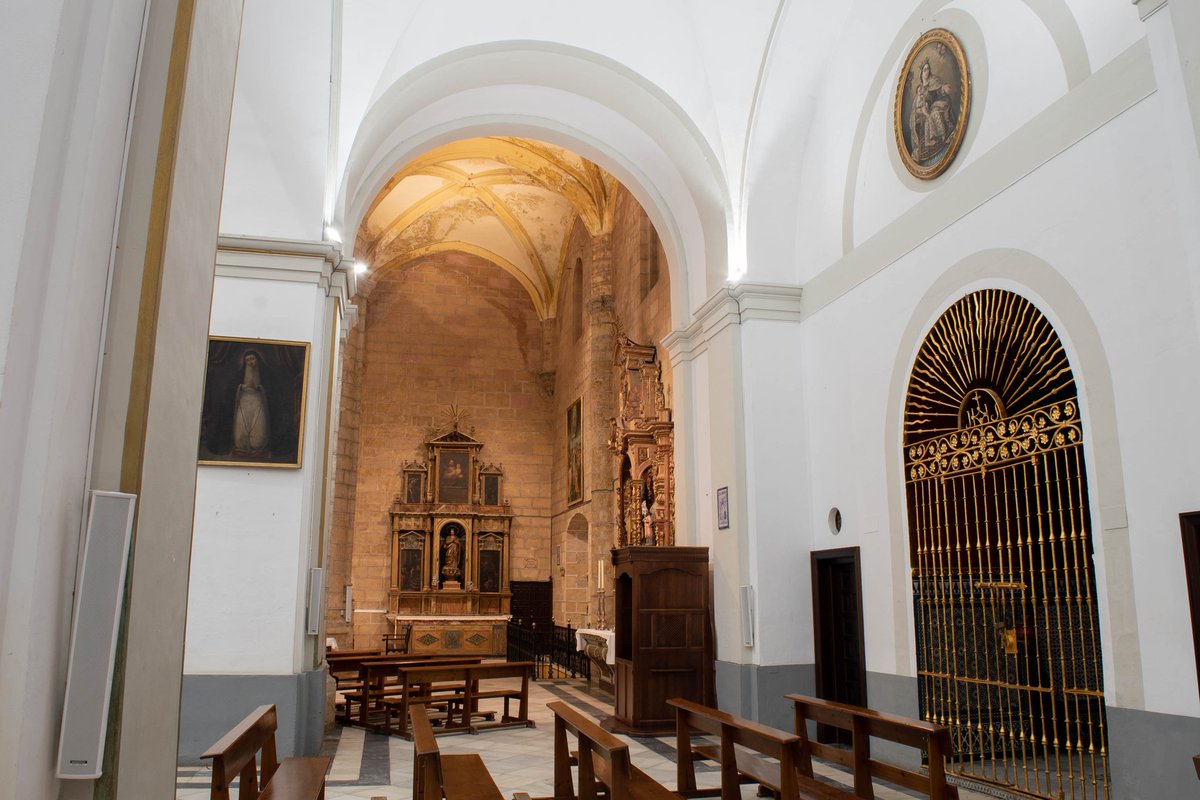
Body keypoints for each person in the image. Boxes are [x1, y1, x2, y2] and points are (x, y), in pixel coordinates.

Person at [910, 59, 954, 156]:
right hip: (927, 108)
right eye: (925, 70)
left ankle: (943, 137)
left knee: (935, 113)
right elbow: (918, 103)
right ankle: (930, 141)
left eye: (928, 69)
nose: (927, 72)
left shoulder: (934, 80)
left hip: (937, 103)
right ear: (921, 73)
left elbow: (939, 90)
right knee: (929, 115)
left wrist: (944, 88)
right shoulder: (920, 88)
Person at [232, 350, 269, 456]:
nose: (250, 362)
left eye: (252, 359)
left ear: (257, 360)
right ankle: (242, 445)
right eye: (247, 360)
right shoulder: (239, 374)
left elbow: (270, 388)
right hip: (243, 404)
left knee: (258, 430)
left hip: (258, 403)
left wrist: (259, 387)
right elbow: (232, 388)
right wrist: (242, 387)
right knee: (241, 429)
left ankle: (257, 444)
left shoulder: (265, 374)